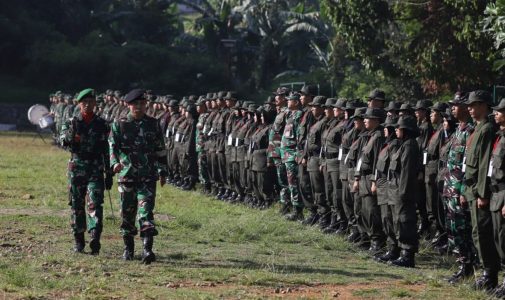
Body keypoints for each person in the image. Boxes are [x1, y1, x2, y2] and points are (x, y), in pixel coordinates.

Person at [109, 88, 168, 264]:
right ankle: (128, 249)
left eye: (142, 104)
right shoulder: (119, 124)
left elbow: (160, 149)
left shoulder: (153, 124)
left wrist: (163, 170)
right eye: (135, 104)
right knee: (127, 214)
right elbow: (113, 147)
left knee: (146, 212)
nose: (139, 107)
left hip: (148, 176)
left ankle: (147, 249)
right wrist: (114, 163)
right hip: (126, 176)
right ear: (128, 105)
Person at [60, 88, 112, 255]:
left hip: (96, 168)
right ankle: (79, 240)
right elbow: (63, 142)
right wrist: (71, 134)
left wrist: (109, 172)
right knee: (77, 205)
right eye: (84, 102)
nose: (88, 105)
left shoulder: (102, 124)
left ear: (95, 103)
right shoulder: (72, 122)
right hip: (77, 168)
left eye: (91, 102)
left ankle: (95, 236)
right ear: (79, 104)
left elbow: (106, 149)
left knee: (95, 203)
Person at [463, 90, 500, 290]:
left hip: (480, 191)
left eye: (474, 104)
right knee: (477, 232)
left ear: (485, 106)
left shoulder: (486, 129)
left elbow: (485, 164)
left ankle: (490, 275)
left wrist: (482, 193)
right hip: (472, 189)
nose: (470, 108)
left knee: (483, 233)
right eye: (469, 105)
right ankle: (487, 272)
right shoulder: (477, 129)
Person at [443, 92, 476, 284]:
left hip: (460, 190)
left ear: (465, 107)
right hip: (450, 188)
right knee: (454, 229)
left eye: (456, 105)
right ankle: (462, 265)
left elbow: (468, 164)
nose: (453, 108)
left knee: (464, 229)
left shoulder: (471, 130)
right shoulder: (458, 130)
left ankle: (469, 266)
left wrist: (463, 190)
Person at [388, 115, 421, 267]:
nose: (396, 130)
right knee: (399, 222)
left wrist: (403, 194)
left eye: (398, 128)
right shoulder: (404, 144)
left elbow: (406, 173)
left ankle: (408, 255)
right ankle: (402, 253)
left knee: (405, 221)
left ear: (405, 130)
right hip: (399, 191)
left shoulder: (409, 146)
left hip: (404, 192)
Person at [489, 98, 505, 297]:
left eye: (500, 111)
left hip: (503, 193)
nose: (496, 114)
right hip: (496, 193)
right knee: (498, 238)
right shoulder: (499, 136)